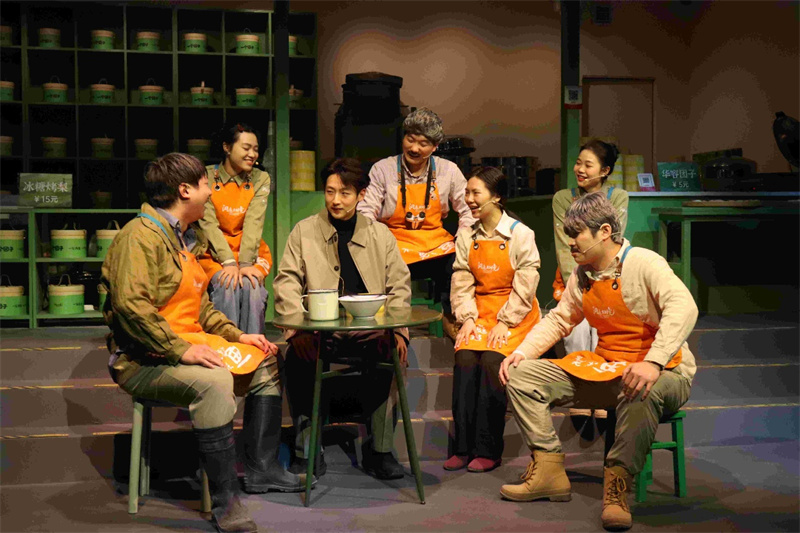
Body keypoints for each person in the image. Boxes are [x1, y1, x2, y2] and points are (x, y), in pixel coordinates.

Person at [101, 153, 303, 533]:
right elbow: (131, 307)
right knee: (215, 383)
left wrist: (239, 336)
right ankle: (226, 501)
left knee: (265, 362)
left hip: (183, 346)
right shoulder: (139, 237)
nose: (210, 192)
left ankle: (261, 468)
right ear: (185, 190)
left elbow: (202, 308)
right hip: (143, 360)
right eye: (205, 184)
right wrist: (183, 350)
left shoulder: (184, 237)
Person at [498, 192, 696, 531]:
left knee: (640, 388)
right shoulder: (583, 274)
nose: (570, 242)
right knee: (521, 375)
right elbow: (560, 319)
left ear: (604, 232)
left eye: (576, 234)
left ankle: (617, 489)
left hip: (664, 372)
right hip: (609, 368)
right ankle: (548, 470)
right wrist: (522, 353)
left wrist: (653, 362)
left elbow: (684, 307)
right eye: (568, 234)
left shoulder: (643, 263)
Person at [273, 157, 412, 480]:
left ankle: (379, 450)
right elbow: (286, 283)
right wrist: (296, 331)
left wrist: (398, 331)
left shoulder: (380, 235)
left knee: (389, 351)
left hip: (369, 329)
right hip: (320, 331)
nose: (336, 200)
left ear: (361, 195)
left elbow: (400, 286)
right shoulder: (304, 231)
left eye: (345, 193)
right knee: (298, 356)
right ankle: (307, 450)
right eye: (330, 191)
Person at [446, 167, 541, 473]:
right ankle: (462, 447)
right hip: (480, 311)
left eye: (476, 193)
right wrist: (467, 318)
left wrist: (506, 321)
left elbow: (526, 285)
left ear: (496, 197)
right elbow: (462, 279)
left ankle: (488, 450)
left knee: (491, 362)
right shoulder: (466, 235)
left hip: (515, 314)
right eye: (467, 193)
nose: (469, 199)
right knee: (464, 359)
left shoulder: (521, 234)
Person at [358, 107, 475, 340]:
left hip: (434, 245)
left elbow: (469, 209)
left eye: (423, 143)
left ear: (435, 147)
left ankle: (451, 319)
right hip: (394, 245)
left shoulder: (448, 171)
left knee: (458, 262)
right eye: (410, 139)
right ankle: (391, 326)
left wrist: (463, 237)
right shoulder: (383, 169)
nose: (414, 148)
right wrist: (374, 240)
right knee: (373, 262)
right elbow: (366, 211)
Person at [551, 139, 629, 429]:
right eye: (578, 163)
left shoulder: (618, 197)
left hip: (610, 275)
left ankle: (603, 394)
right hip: (574, 275)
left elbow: (614, 239)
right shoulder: (563, 198)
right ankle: (582, 394)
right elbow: (565, 246)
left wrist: (600, 278)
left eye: (588, 165)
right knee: (576, 330)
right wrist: (579, 282)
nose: (580, 169)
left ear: (605, 170)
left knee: (603, 331)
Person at [197, 122, 273, 334]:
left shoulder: (260, 178)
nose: (252, 154)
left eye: (255, 149)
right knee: (227, 284)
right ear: (227, 147)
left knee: (252, 286)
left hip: (248, 251)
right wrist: (228, 262)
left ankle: (254, 346)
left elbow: (254, 223)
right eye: (246, 148)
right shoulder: (206, 177)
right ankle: (228, 346)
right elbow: (208, 224)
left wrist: (246, 262)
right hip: (213, 252)